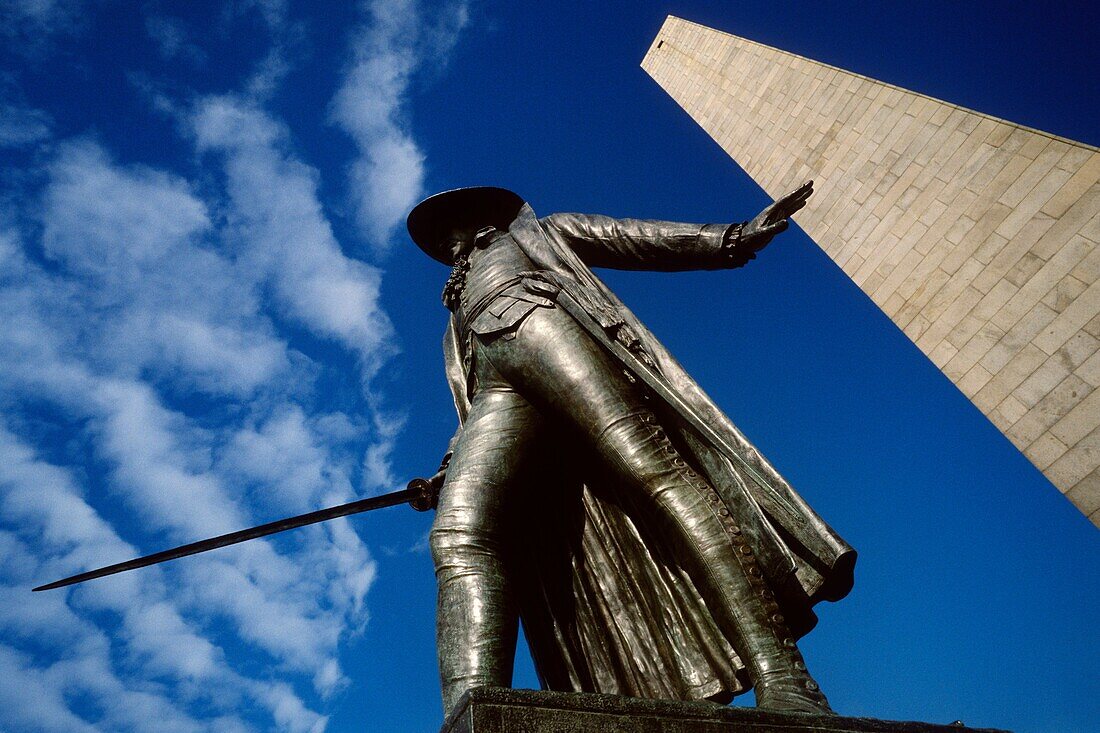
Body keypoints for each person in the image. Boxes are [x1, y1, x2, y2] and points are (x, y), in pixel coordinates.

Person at [407, 185, 855, 717]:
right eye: (435, 234)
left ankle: (784, 677)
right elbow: (470, 401)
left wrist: (728, 239)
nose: (442, 239)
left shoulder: (539, 233)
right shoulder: (451, 326)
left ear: (479, 218)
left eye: (446, 221)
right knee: (459, 533)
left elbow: (627, 237)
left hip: (544, 323)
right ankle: (473, 717)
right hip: (497, 388)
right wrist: (446, 468)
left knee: (654, 471)